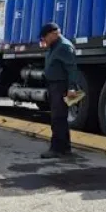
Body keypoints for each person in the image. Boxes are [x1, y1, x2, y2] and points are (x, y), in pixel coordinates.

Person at [40, 22, 81, 158]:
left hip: (60, 86)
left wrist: (71, 87)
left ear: (53, 34)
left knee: (58, 117)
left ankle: (56, 149)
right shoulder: (54, 46)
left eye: (45, 37)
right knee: (60, 117)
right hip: (54, 85)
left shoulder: (64, 46)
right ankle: (65, 148)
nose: (44, 40)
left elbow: (72, 69)